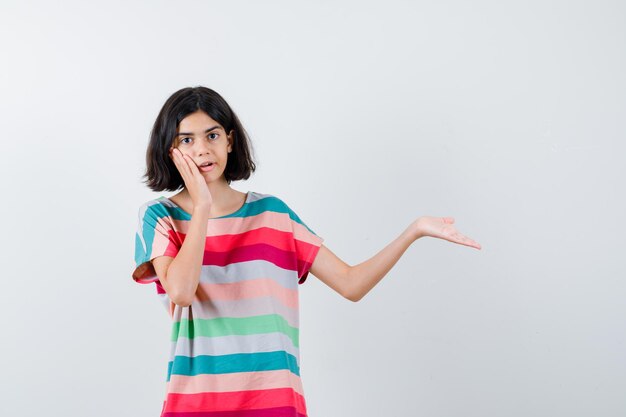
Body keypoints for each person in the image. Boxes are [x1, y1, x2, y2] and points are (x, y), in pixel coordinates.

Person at [132, 86, 482, 417]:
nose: (202, 149)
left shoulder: (273, 214)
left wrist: (414, 230)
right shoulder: (159, 217)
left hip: (273, 399)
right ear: (170, 150)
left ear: (229, 141)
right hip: (195, 401)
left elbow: (351, 283)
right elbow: (181, 291)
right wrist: (203, 208)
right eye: (187, 140)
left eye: (212, 135)